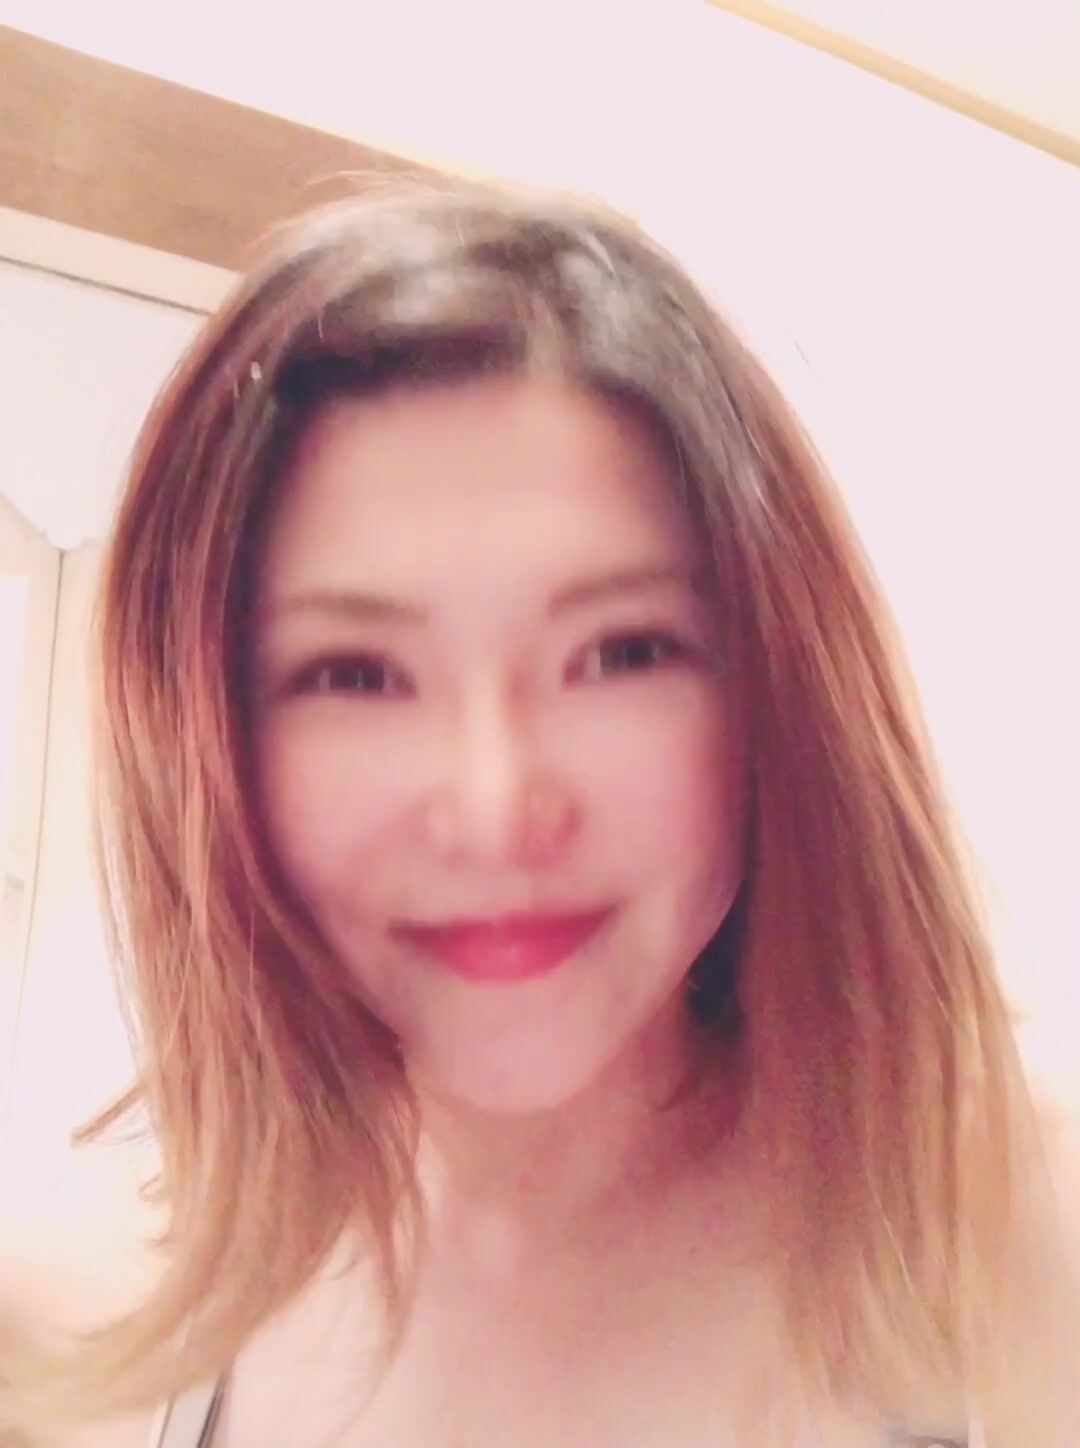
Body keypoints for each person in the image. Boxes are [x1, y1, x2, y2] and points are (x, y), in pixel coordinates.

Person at [0, 178, 1075, 1447]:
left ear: (777, 693)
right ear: (215, 736)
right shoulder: (72, 1314)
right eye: (355, 673)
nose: (498, 809)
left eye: (622, 651)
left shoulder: (1021, 1232)